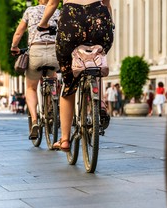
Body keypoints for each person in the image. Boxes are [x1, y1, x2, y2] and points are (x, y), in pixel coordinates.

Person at [38, 0, 114, 151]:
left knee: (68, 81)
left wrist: (43, 23)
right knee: (96, 60)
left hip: (71, 23)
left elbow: (52, 4)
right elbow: (107, 4)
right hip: (98, 20)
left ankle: (65, 139)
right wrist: (110, 23)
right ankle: (99, 101)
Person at [11, 0, 60, 139]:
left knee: (31, 88)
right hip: (53, 51)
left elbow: (19, 33)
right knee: (53, 77)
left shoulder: (30, 11)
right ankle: (53, 107)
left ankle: (34, 120)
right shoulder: (58, 11)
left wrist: (14, 46)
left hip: (36, 51)